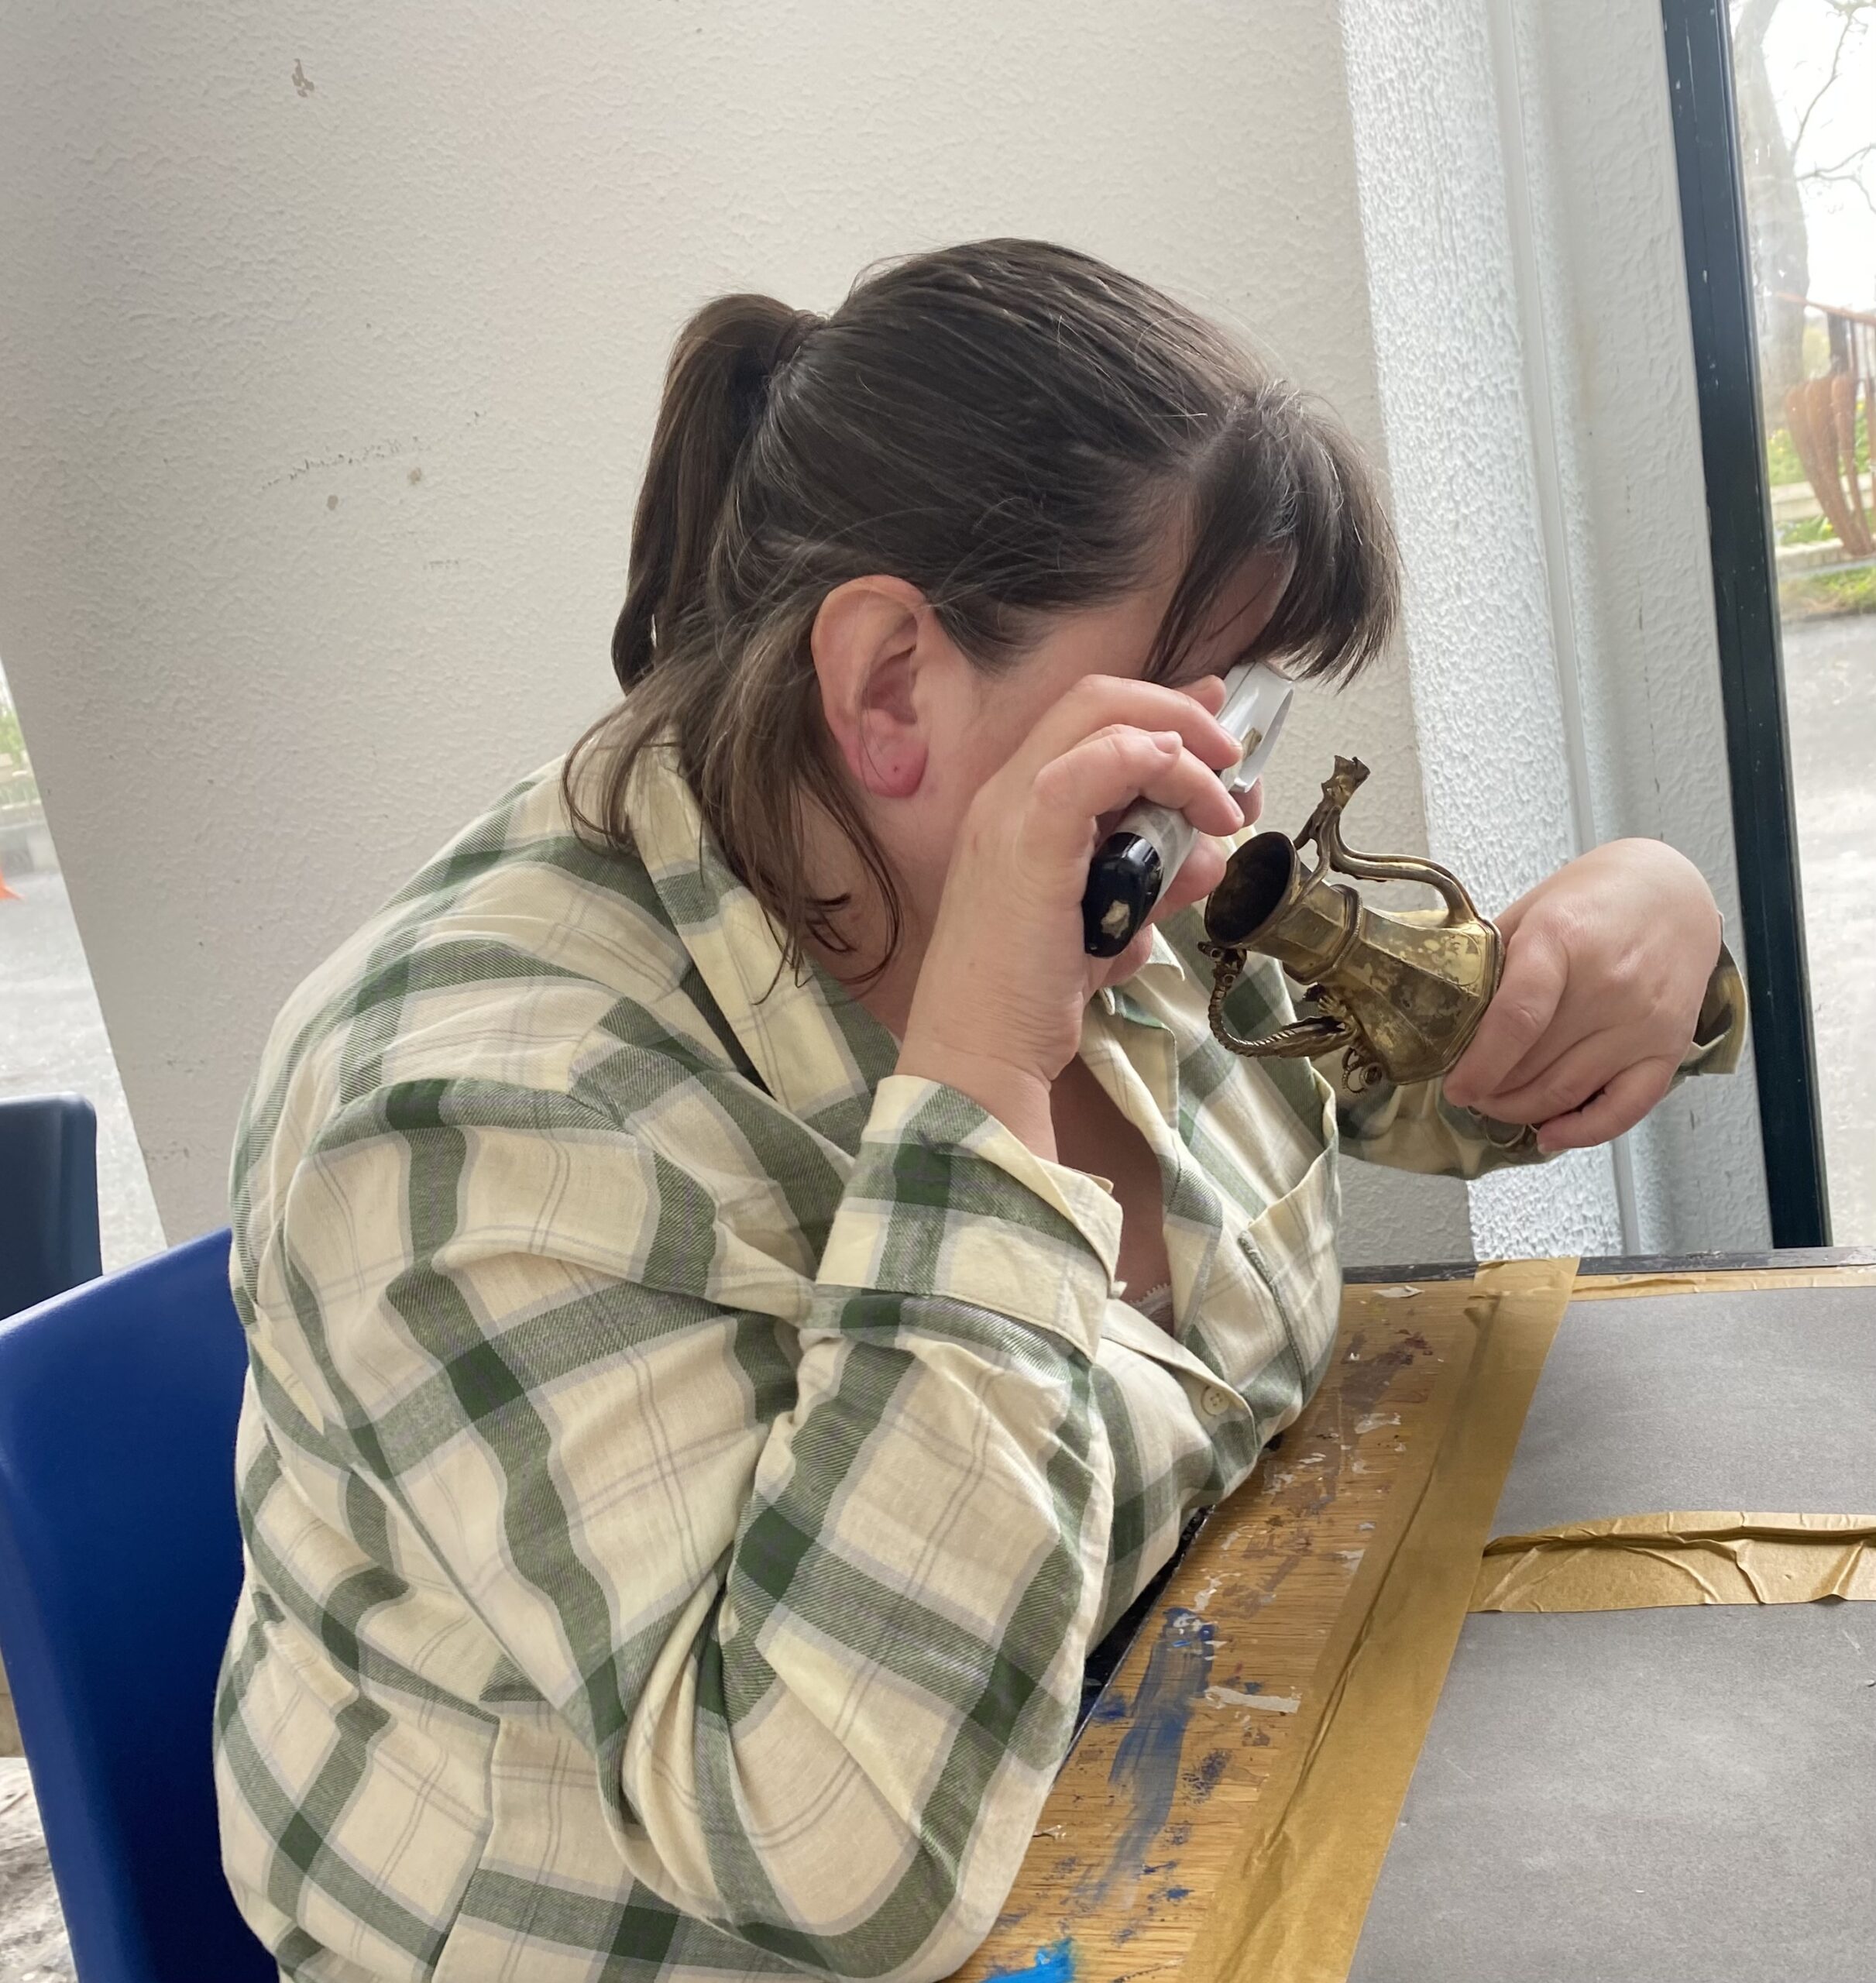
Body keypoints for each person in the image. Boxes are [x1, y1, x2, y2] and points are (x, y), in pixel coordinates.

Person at [215, 240, 1741, 1983]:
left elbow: (1462, 1078)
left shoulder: (1097, 866)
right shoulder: (458, 1104)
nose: (1230, 778)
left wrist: (1646, 918)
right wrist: (984, 1081)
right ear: (883, 684)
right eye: (1199, 694)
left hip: (1162, 1801)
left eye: (1253, 702)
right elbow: (831, 1848)